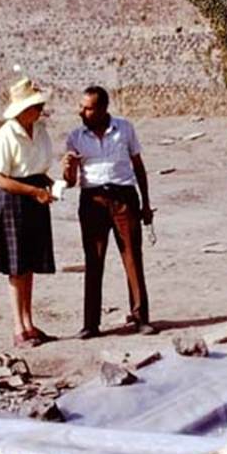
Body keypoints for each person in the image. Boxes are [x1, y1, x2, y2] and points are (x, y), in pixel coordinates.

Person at [62, 85, 156, 339]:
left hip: (124, 198)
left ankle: (140, 318)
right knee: (94, 260)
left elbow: (138, 165)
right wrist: (68, 167)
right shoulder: (75, 136)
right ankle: (91, 324)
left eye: (88, 108)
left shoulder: (124, 128)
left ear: (103, 108)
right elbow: (69, 181)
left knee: (132, 258)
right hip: (93, 200)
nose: (82, 111)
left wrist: (145, 204)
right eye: (81, 106)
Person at [0, 77, 59, 348]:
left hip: (37, 196)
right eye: (36, 106)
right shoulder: (7, 133)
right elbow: (0, 178)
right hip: (16, 198)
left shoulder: (40, 130)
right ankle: (18, 326)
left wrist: (51, 185)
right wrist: (33, 192)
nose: (40, 110)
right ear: (22, 109)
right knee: (17, 267)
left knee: (29, 263)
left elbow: (39, 168)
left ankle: (29, 323)